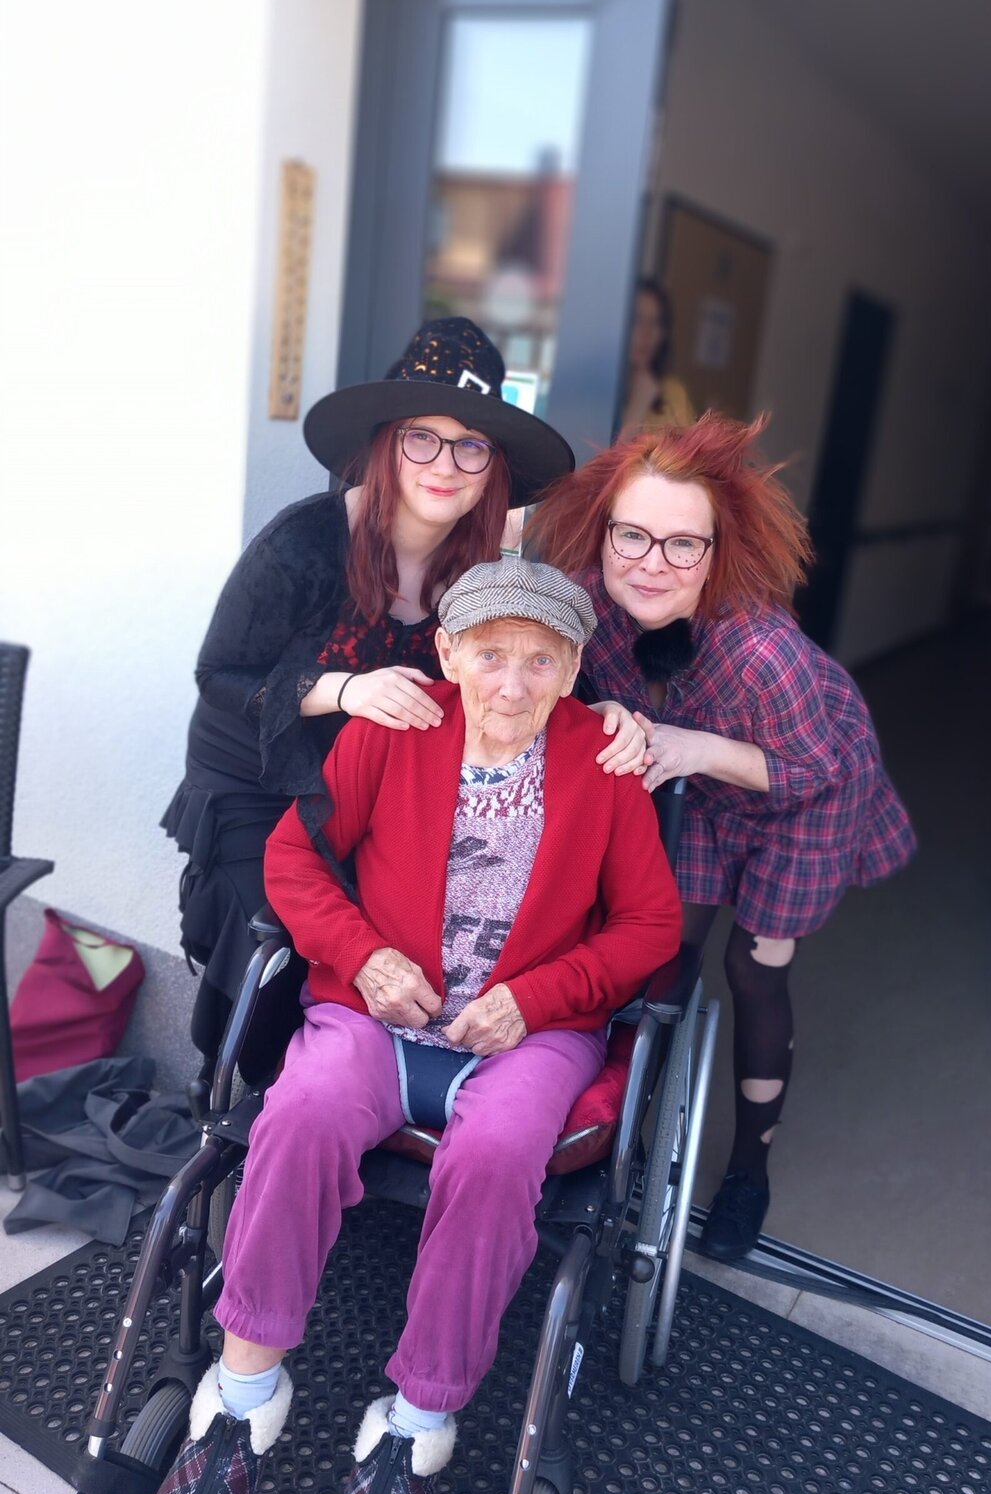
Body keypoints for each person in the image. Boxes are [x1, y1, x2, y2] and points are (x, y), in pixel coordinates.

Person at [128, 559, 683, 1494]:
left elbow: (651, 924)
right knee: (298, 1113)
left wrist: (535, 998)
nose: (511, 682)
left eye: (540, 661)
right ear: (449, 653)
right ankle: (241, 1403)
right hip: (376, 1016)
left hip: (529, 1035)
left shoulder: (603, 764)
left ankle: (415, 1428)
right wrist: (364, 955)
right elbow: (295, 859)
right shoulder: (395, 730)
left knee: (500, 1154)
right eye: (491, 655)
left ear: (571, 672)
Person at [164, 318, 642, 1078]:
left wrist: (606, 711)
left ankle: (351, 1098)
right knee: (282, 937)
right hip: (256, 781)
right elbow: (219, 677)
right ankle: (232, 1090)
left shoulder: (481, 566)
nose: (445, 464)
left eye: (471, 446)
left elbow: (532, 668)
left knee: (397, 939)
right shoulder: (304, 541)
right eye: (423, 438)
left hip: (361, 791)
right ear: (388, 444)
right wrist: (346, 691)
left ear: (492, 467)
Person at [525, 412, 915, 1262]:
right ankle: (620, 1135)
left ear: (716, 552)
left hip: (803, 791)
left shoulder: (763, 653)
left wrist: (694, 747)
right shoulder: (589, 606)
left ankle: (748, 1172)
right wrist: (607, 710)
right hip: (696, 783)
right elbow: (560, 686)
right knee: (663, 951)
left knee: (752, 969)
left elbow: (811, 767)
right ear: (605, 530)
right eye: (632, 535)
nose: (650, 563)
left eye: (682, 545)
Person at [617, 277, 696, 440]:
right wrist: (638, 405)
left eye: (655, 322)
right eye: (637, 320)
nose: (647, 333)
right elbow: (603, 456)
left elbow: (691, 454)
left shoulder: (673, 393)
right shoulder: (598, 392)